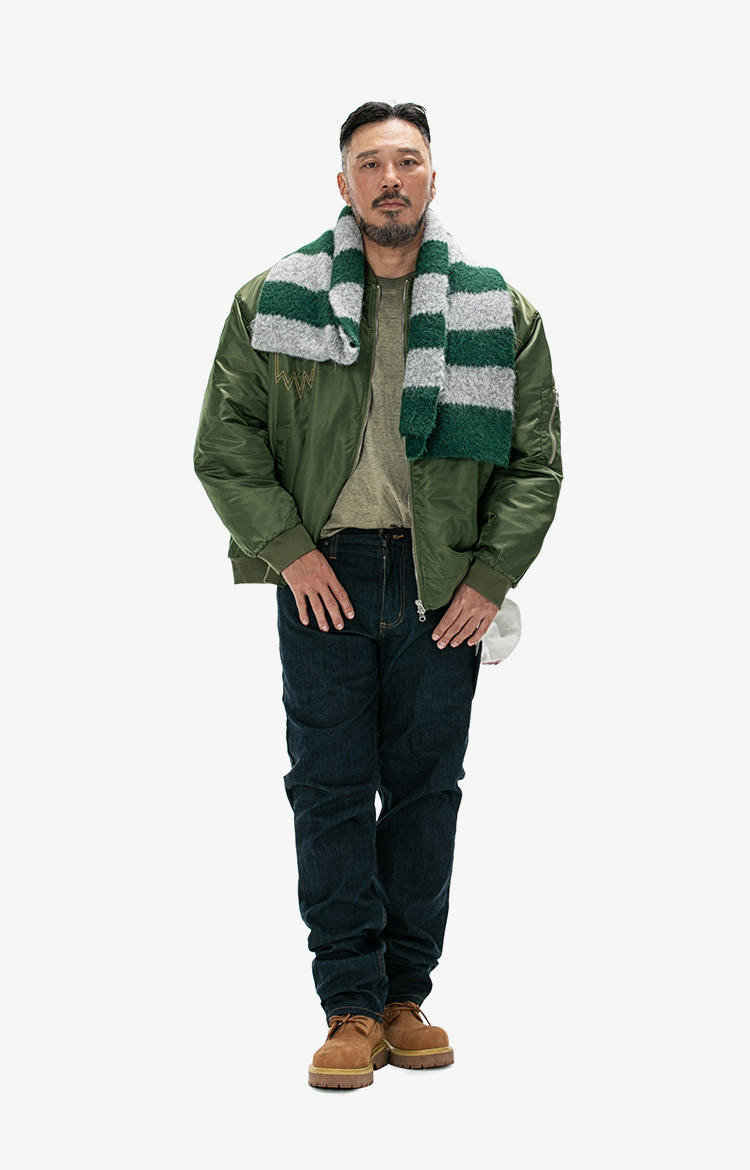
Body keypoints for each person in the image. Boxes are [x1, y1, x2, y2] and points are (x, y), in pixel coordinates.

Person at [194, 101, 562, 1090]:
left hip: (444, 583)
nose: (390, 179)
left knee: (427, 788)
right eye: (370, 163)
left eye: (407, 160)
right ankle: (350, 1006)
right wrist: (289, 551)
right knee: (328, 785)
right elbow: (225, 445)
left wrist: (489, 577)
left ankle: (406, 997)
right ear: (344, 184)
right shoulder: (272, 301)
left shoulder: (500, 312)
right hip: (325, 577)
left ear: (433, 177)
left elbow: (535, 464)